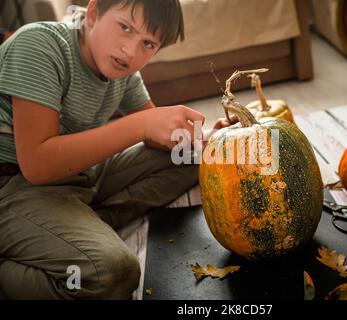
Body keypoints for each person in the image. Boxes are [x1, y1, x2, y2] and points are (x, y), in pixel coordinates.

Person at [0, 0, 234, 299]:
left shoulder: (122, 72)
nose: (130, 50)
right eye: (125, 27)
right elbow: (37, 165)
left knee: (196, 157)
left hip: (79, 176)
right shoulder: (40, 44)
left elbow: (159, 134)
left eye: (148, 43)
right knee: (111, 274)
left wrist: (205, 137)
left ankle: (76, 227)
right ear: (95, 12)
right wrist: (140, 125)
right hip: (14, 185)